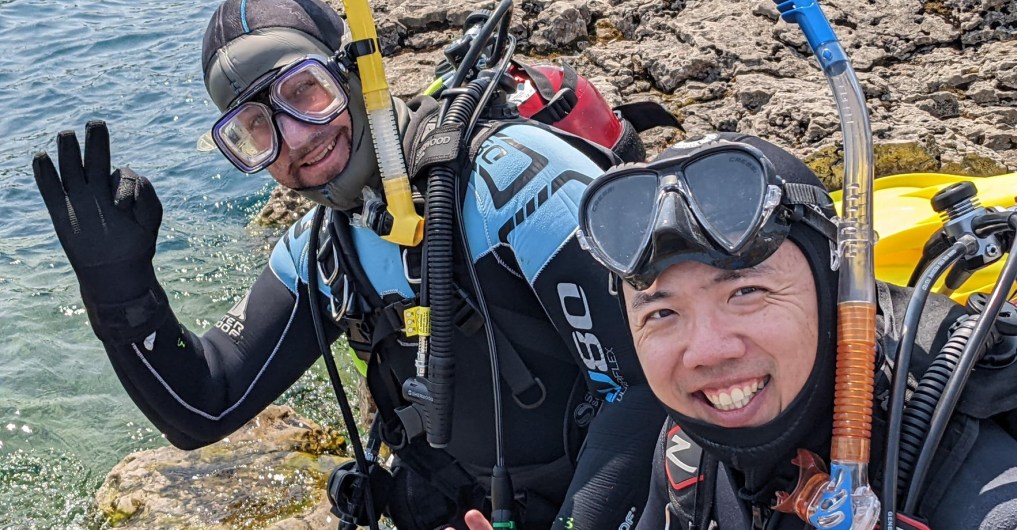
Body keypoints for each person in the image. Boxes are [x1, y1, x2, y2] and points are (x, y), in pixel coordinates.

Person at [30, 0, 668, 529]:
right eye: (255, 129)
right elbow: (203, 405)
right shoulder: (322, 248)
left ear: (356, 69)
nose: (298, 140)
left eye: (305, 91)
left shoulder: (510, 176)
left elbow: (651, 385)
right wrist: (121, 292)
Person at [575, 132, 1017, 530]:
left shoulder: (1005, 511)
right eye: (661, 313)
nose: (705, 351)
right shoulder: (687, 449)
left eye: (747, 293)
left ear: (839, 297)